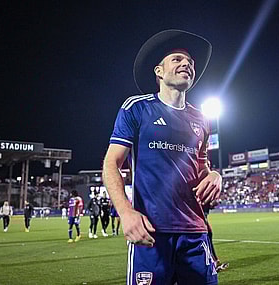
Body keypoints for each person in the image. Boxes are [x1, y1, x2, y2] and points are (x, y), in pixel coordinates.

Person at [102, 29, 221, 285]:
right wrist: (126, 213)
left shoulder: (202, 120)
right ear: (158, 71)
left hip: (195, 233)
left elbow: (202, 168)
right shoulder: (137, 108)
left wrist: (214, 175)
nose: (186, 64)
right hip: (152, 233)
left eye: (189, 62)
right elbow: (111, 164)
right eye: (177, 59)